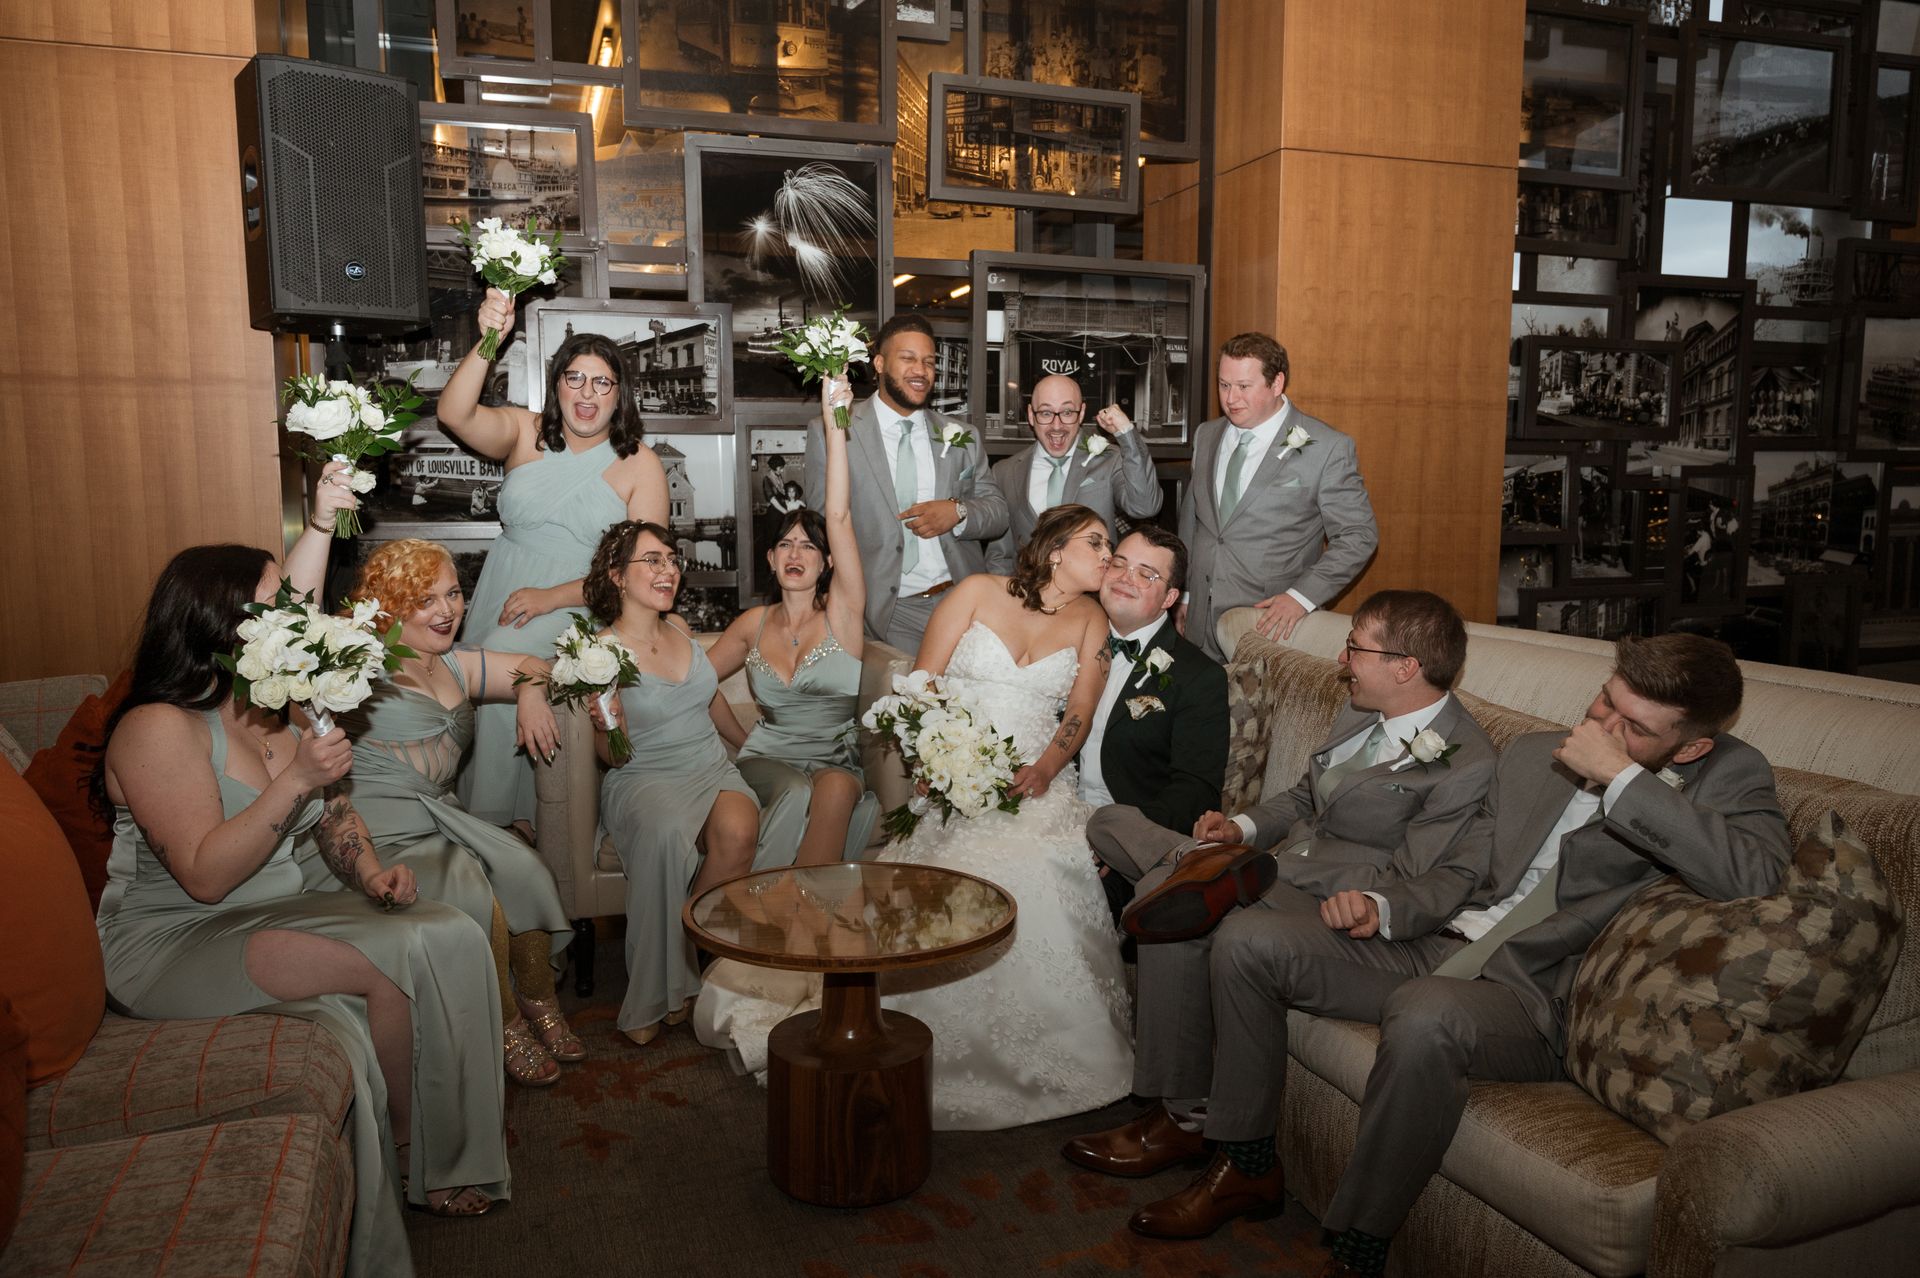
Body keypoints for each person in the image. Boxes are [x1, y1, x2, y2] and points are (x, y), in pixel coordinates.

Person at [1083, 634, 1792, 1274]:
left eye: (1634, 728)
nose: (1602, 728)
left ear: (1689, 748)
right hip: (1443, 940)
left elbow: (1759, 875)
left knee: (1426, 1014)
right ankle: (1246, 1164)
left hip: (1534, 993)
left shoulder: (1728, 774)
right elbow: (1463, 869)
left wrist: (1623, 778)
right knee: (1247, 941)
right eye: (1606, 702)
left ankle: (1358, 1244)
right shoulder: (1532, 753)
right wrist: (1386, 906)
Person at [94, 545, 509, 1270]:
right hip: (175, 940)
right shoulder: (157, 727)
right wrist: (294, 783)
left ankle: (455, 1152)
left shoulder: (276, 714)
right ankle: (410, 1155)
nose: (296, 614)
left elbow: (335, 816)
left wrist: (372, 874)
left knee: (452, 930)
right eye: (276, 602)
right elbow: (204, 878)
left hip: (275, 909)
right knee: (387, 958)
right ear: (220, 620)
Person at [697, 504, 1133, 1129]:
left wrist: (1045, 767)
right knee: (950, 879)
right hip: (955, 779)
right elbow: (921, 683)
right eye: (1097, 543)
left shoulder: (1093, 619)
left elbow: (1081, 710)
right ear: (1057, 549)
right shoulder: (976, 590)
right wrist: (936, 754)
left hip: (1036, 784)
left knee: (1042, 864)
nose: (1108, 556)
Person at [1098, 590, 1496, 943]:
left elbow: (1402, 879)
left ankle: (1196, 863)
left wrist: (1276, 866)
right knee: (1108, 820)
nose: (1342, 659)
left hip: (1319, 897)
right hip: (1274, 868)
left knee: (1158, 885)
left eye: (1355, 648)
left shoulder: (1468, 763)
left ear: (1404, 668)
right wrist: (1238, 829)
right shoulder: (1360, 710)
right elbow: (1306, 797)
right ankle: (1198, 862)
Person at [340, 539, 583, 1089]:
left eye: (452, 594)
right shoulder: (360, 667)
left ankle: (539, 998)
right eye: (425, 599)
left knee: (526, 868)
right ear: (389, 606)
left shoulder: (454, 663)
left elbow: (533, 665)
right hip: (381, 830)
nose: (447, 610)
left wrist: (530, 696)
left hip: (442, 817)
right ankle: (505, 1023)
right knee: (477, 896)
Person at [440, 288, 669, 831]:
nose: (587, 393)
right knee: (478, 678)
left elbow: (643, 570)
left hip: (581, 606)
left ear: (619, 395)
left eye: (602, 383)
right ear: (557, 385)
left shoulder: (640, 463)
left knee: (504, 655)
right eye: (575, 378)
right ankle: (501, 828)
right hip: (504, 591)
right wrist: (489, 339)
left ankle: (504, 822)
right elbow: (453, 413)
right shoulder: (525, 432)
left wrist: (552, 598)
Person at [584, 521, 809, 1047]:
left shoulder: (681, 627)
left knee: (740, 829)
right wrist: (609, 724)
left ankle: (685, 956)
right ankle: (656, 987)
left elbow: (708, 699)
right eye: (652, 561)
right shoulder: (599, 652)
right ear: (617, 575)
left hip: (709, 765)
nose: (668, 570)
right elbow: (610, 756)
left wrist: (748, 746)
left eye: (672, 559)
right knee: (664, 832)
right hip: (643, 774)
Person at [706, 378, 879, 868]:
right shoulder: (752, 624)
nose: (795, 553)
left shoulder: (844, 615)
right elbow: (692, 682)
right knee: (795, 789)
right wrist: (741, 741)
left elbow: (839, 516)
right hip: (766, 761)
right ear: (771, 558)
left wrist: (834, 423)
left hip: (834, 758)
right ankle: (768, 902)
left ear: (827, 562)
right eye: (785, 544)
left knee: (836, 788)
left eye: (808, 546)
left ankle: (804, 907)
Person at [801, 313, 1008, 655]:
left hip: (964, 603)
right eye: (908, 358)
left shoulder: (963, 436)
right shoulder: (833, 430)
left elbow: (998, 513)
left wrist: (958, 512)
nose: (921, 370)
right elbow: (820, 523)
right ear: (879, 364)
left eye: (929, 362)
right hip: (886, 612)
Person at [1179, 332, 1378, 661]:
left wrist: (1302, 597)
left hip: (1268, 628)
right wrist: (1186, 594)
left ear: (1277, 383)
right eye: (1224, 385)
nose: (1231, 398)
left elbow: (1359, 536)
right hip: (1198, 624)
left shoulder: (1327, 447)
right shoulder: (1207, 434)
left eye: (1244, 386)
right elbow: (1194, 520)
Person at [1073, 525, 1229, 920]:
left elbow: (1195, 787)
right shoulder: (1063, 643)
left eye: (1146, 574)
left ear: (1170, 598)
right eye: (1119, 564)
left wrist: (1120, 842)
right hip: (1051, 814)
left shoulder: (1200, 676)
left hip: (1124, 842)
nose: (1126, 578)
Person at [984, 374, 1162, 573]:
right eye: (1045, 413)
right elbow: (1000, 554)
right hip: (1028, 589)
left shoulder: (1110, 460)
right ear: (1031, 415)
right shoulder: (1004, 472)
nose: (1057, 426)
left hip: (1092, 590)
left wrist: (1126, 433)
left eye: (1067, 412)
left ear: (1082, 412)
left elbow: (1144, 506)